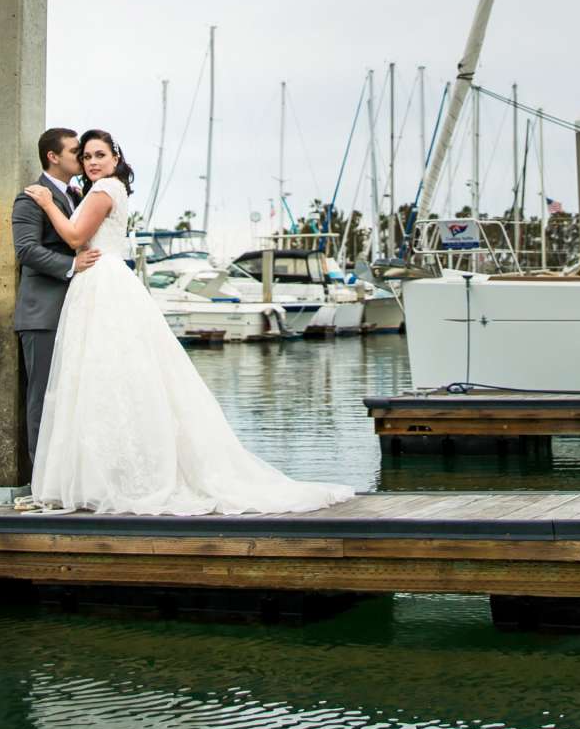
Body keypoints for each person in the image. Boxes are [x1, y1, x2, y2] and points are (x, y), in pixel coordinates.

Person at [23, 128, 353, 515]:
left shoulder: (102, 191)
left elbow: (77, 236)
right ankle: (106, 475)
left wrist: (48, 204)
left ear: (115, 158)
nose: (93, 162)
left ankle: (112, 477)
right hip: (100, 281)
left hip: (99, 280)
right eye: (87, 156)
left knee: (97, 376)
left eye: (100, 155)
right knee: (103, 378)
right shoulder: (106, 190)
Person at [12, 127, 102, 474]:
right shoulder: (30, 198)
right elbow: (26, 249)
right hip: (42, 314)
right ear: (53, 156)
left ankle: (67, 475)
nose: (81, 157)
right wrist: (71, 265)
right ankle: (42, 478)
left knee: (69, 397)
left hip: (72, 311)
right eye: (74, 151)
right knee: (43, 396)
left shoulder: (75, 195)